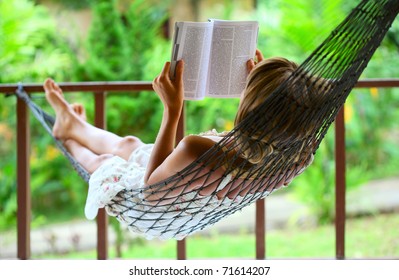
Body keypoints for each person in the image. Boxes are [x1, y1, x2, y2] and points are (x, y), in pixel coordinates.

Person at [43, 50, 313, 239]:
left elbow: (149, 190)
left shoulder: (197, 148)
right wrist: (262, 92)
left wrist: (172, 110)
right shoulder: (291, 154)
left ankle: (67, 137)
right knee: (129, 144)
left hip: (155, 206)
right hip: (186, 195)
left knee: (104, 163)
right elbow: (273, 123)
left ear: (251, 106)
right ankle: (74, 125)